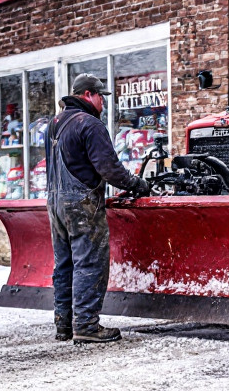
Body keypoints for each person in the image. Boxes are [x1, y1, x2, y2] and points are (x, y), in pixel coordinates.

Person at [45, 73, 150, 344]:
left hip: (54, 204)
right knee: (89, 262)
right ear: (88, 94)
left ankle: (64, 325)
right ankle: (86, 325)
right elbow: (109, 168)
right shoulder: (89, 124)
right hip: (81, 204)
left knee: (64, 264)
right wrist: (136, 184)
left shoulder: (54, 124)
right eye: (101, 96)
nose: (103, 101)